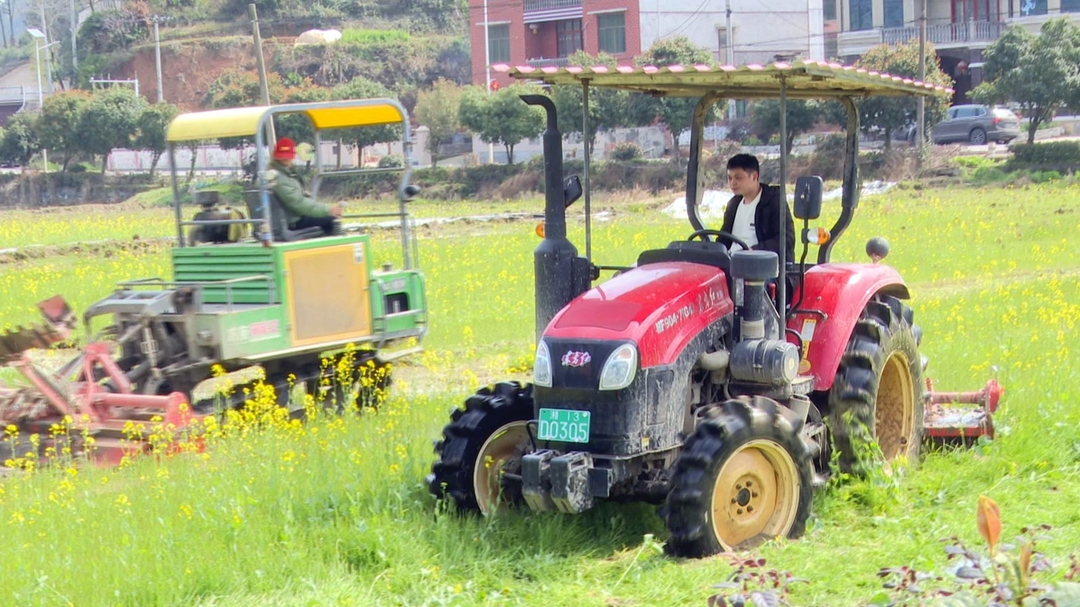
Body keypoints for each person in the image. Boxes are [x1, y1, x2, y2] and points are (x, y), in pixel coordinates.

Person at [719, 153, 796, 263]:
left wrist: (754, 251)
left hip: (762, 267)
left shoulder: (773, 201)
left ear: (754, 176)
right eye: (730, 178)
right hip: (733, 265)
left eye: (738, 178)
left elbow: (786, 239)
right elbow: (724, 239)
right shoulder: (733, 204)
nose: (733, 183)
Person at [268, 137, 344, 235]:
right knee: (331, 220)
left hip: (287, 218)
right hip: (293, 221)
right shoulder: (279, 178)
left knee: (325, 219)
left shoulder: (283, 174)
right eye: (282, 157)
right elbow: (298, 203)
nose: (285, 159)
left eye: (287, 156)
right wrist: (328, 210)